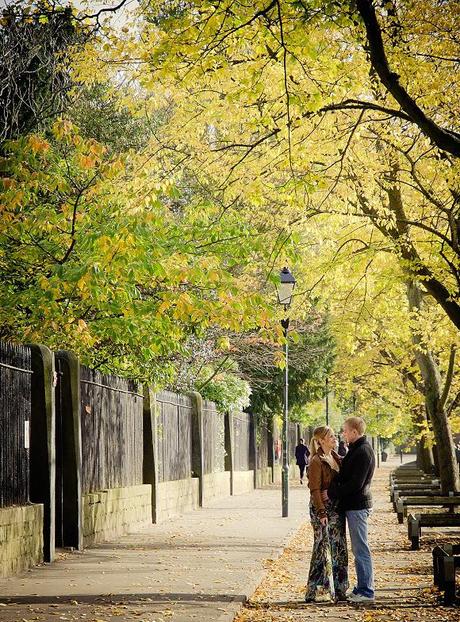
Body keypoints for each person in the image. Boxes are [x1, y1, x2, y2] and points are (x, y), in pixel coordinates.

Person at [328, 416, 376, 603]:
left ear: (355, 432)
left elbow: (356, 484)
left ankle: (366, 591)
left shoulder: (363, 451)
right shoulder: (356, 449)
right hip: (353, 506)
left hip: (357, 506)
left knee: (361, 549)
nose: (343, 433)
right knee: (359, 549)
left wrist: (333, 491)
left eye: (345, 430)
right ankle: (362, 588)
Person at [305, 426, 348, 603]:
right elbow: (314, 489)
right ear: (321, 440)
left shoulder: (336, 457)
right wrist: (322, 512)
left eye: (333, 436)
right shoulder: (316, 461)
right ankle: (312, 591)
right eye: (330, 436)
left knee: (339, 548)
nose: (334, 438)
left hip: (336, 509)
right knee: (322, 549)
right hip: (322, 510)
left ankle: (340, 589)